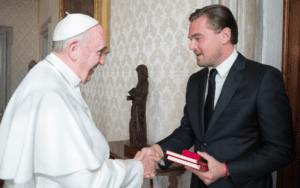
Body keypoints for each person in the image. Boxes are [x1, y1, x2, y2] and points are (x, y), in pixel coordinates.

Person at [136, 5, 295, 188]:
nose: (191, 46)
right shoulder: (195, 81)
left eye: (198, 38)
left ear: (225, 36)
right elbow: (188, 131)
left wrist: (226, 169)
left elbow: (282, 150)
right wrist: (159, 150)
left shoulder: (264, 78)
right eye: (190, 39)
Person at [0, 13, 160, 187]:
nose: (103, 61)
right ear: (74, 49)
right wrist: (138, 168)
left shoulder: (49, 78)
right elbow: (86, 181)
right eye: (100, 52)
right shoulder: (50, 95)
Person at [127, 64, 149, 149]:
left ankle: (140, 142)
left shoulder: (145, 82)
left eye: (140, 73)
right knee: (132, 124)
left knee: (139, 126)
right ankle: (134, 142)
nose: (138, 75)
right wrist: (131, 96)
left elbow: (142, 97)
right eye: (138, 73)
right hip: (135, 108)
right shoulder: (139, 83)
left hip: (140, 109)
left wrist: (134, 94)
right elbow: (137, 95)